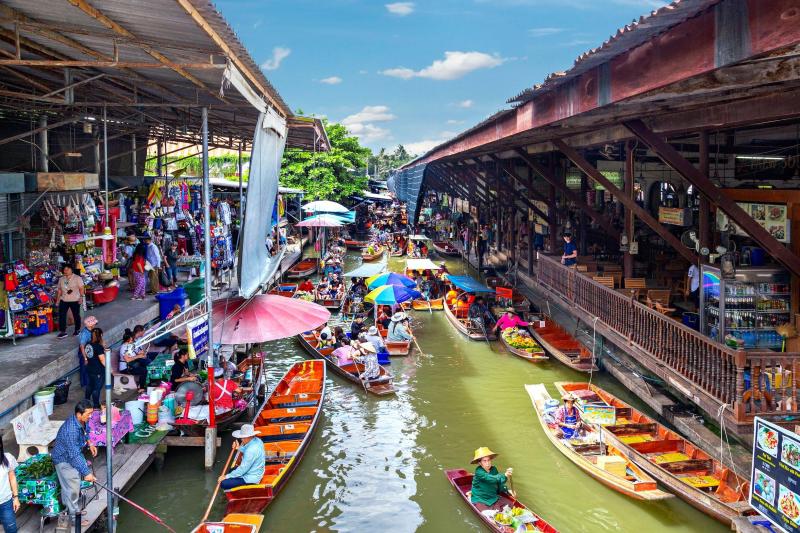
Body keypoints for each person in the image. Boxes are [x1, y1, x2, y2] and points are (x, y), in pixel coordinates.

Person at [52, 400, 97, 527]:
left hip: (72, 455)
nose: (90, 416)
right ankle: (74, 519)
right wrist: (87, 473)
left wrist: (90, 443)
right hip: (64, 460)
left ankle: (72, 511)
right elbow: (74, 455)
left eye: (91, 413)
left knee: (71, 487)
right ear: (79, 414)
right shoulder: (70, 430)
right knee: (72, 488)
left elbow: (86, 430)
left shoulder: (82, 421)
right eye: (88, 414)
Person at [219, 424, 265, 490]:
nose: (241, 439)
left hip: (251, 478)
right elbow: (247, 450)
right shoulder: (257, 440)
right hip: (257, 471)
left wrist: (225, 477)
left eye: (243, 437)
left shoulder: (251, 451)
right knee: (232, 470)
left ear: (249, 436)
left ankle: (241, 489)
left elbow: (243, 470)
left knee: (223, 483)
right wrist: (238, 448)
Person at [469, 447, 514, 512]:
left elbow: (499, 483)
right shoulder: (479, 472)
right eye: (484, 461)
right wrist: (505, 475)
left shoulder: (493, 469)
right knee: (490, 514)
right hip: (481, 499)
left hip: (493, 497)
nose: (487, 463)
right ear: (480, 463)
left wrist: (507, 491)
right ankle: (470, 496)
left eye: (489, 460)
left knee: (510, 504)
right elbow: (492, 479)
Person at [55, 265, 85, 339]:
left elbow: (81, 288)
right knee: (62, 315)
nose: (66, 271)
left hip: (75, 299)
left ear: (71, 270)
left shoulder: (77, 278)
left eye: (67, 269)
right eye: (64, 270)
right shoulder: (61, 279)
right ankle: (63, 331)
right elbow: (59, 290)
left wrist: (81, 297)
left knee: (76, 315)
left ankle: (77, 329)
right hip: (64, 299)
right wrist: (58, 300)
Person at [83, 328, 107, 408]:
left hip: (90, 368)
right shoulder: (98, 346)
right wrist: (109, 368)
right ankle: (96, 406)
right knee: (97, 388)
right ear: (100, 335)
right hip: (98, 371)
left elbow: (89, 356)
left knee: (90, 385)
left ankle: (86, 401)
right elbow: (102, 359)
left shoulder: (88, 344)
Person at [119, 329, 148, 393]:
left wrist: (141, 353)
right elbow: (128, 360)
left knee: (147, 364)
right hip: (126, 368)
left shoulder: (130, 345)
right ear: (128, 339)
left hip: (132, 364)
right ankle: (141, 388)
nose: (133, 340)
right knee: (144, 371)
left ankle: (143, 383)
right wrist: (138, 356)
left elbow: (135, 353)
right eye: (132, 339)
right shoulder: (124, 348)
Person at [0, 439, 18, 533]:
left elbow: (12, 478)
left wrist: (16, 497)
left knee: (11, 530)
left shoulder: (7, 458)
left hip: (5, 503)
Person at [76, 316, 97, 392]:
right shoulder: (85, 333)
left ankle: (90, 383)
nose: (95, 324)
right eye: (94, 323)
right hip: (84, 353)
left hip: (89, 351)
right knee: (84, 368)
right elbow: (82, 346)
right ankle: (85, 385)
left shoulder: (92, 331)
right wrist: (85, 358)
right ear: (90, 325)